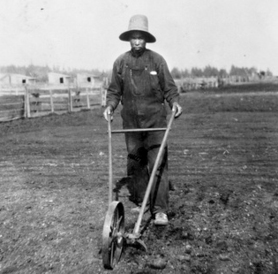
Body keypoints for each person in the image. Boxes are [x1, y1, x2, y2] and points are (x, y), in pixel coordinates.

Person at [103, 14, 182, 225]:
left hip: (155, 121)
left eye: (141, 37)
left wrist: (174, 102)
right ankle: (140, 200)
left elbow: (170, 88)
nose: (137, 42)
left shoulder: (157, 60)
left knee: (157, 162)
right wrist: (109, 106)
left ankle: (160, 209)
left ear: (146, 39)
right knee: (136, 161)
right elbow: (113, 91)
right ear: (129, 39)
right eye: (133, 37)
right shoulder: (120, 63)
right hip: (131, 123)